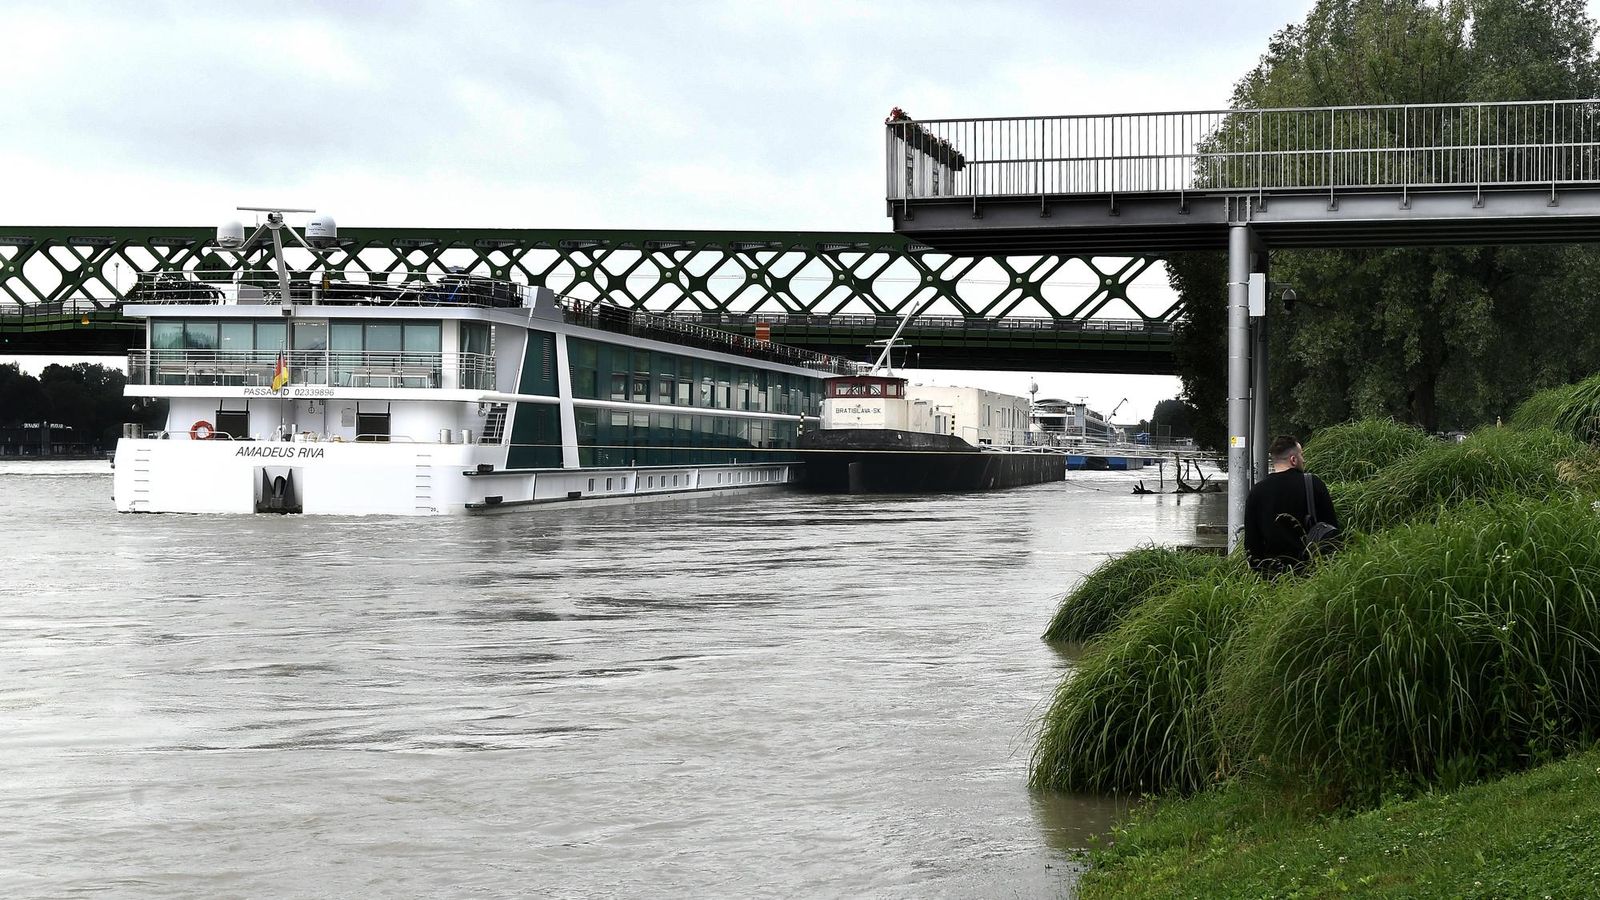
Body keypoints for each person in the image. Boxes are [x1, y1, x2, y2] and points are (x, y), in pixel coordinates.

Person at [1243, 434, 1339, 575]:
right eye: (1301, 455)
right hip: (1313, 572)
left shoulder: (1257, 492)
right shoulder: (1313, 483)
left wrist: (1260, 573)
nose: (1303, 459)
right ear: (1293, 460)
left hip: (1272, 575)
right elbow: (1332, 528)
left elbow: (1251, 542)